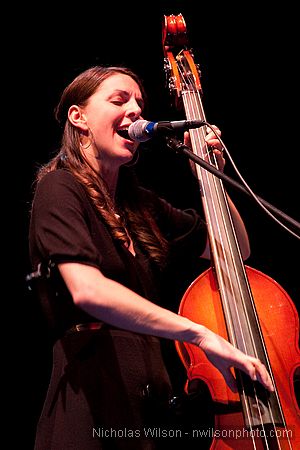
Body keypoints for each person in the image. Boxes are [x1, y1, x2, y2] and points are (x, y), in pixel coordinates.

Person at [28, 65, 274, 450]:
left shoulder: (139, 205)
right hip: (89, 414)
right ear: (79, 118)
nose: (136, 112)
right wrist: (201, 334)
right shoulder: (60, 188)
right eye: (119, 100)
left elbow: (235, 251)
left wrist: (208, 176)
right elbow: (88, 290)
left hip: (147, 418)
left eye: (140, 104)